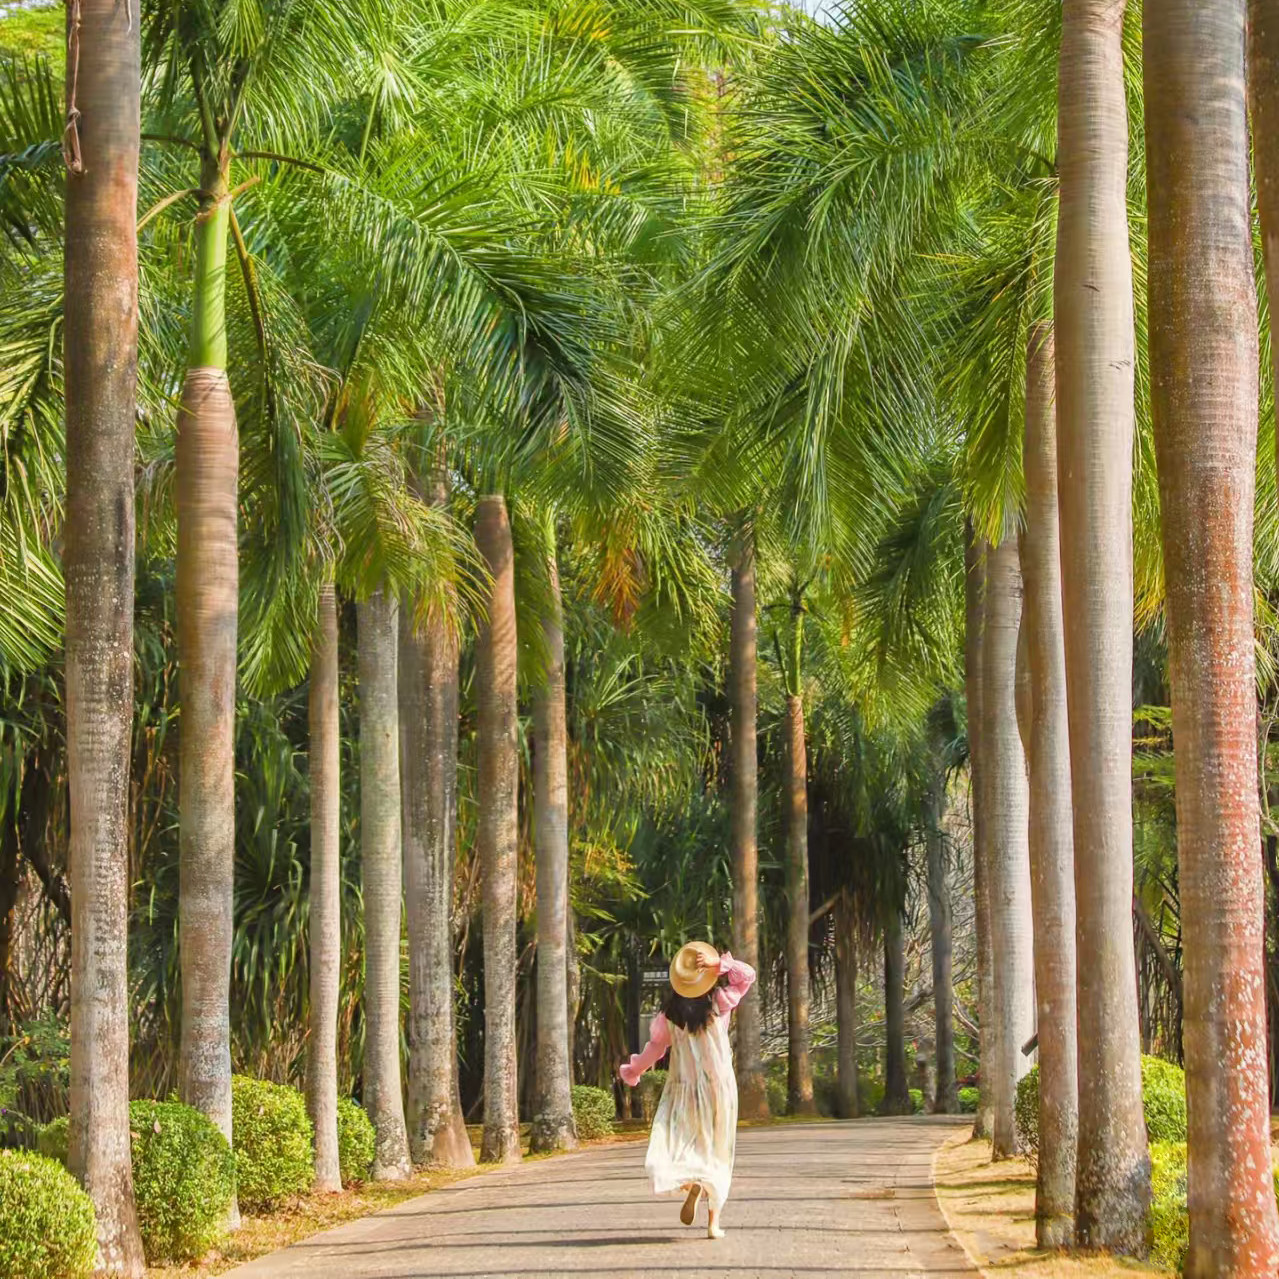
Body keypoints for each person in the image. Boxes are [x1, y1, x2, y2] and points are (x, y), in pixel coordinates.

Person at [618, 941, 756, 1239]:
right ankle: (713, 1222)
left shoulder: (669, 1017)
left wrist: (633, 1071)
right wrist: (721, 964)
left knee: (685, 1140)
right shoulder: (720, 1001)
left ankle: (692, 1182)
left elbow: (652, 1052)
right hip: (719, 1088)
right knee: (718, 1149)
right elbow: (747, 976)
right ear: (707, 977)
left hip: (683, 1090)